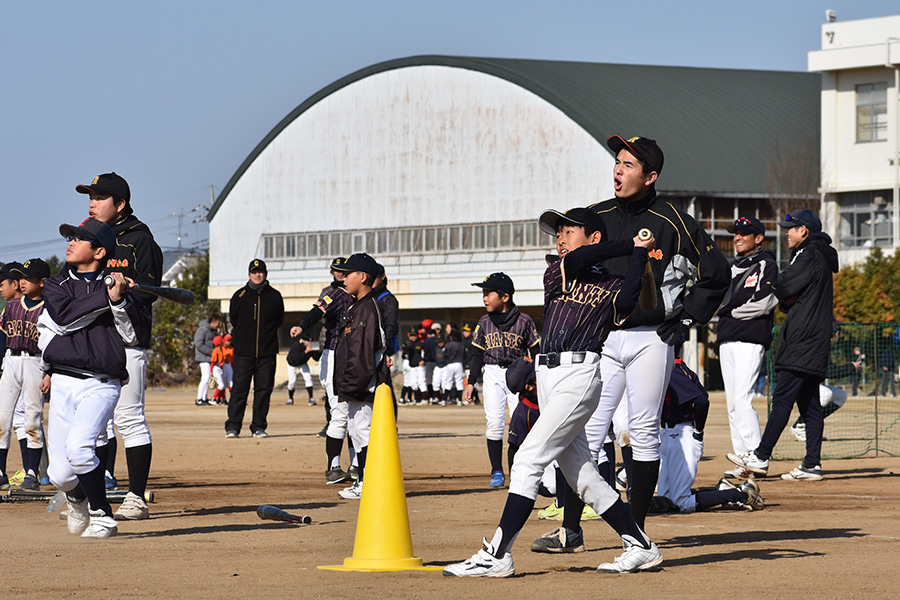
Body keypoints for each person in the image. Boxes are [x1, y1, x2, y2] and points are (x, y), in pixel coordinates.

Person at [444, 207, 660, 577]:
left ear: (594, 236)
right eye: (557, 232)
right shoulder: (557, 271)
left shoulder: (612, 283)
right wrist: (633, 244)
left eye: (569, 230)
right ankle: (641, 545)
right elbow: (582, 257)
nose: (560, 237)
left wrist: (642, 259)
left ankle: (498, 554)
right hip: (548, 376)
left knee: (527, 460)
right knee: (583, 477)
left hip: (580, 375)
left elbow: (637, 305)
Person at [545, 136, 728, 544]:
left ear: (651, 176)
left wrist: (687, 319)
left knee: (642, 431)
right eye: (617, 161)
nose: (618, 170)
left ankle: (637, 535)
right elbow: (568, 262)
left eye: (629, 164)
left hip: (652, 337)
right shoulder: (596, 216)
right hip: (603, 338)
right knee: (587, 430)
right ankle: (569, 528)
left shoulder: (676, 221)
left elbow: (717, 275)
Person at [39, 218, 142, 538]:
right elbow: (66, 319)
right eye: (70, 237)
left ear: (99, 251)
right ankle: (78, 497)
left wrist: (120, 300)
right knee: (59, 475)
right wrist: (106, 294)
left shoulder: (116, 286)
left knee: (81, 449)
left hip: (101, 382)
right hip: (63, 382)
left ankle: (103, 517)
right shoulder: (55, 285)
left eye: (79, 239)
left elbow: (132, 335)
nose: (70, 242)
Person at [728, 209, 839, 481]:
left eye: (791, 228)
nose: (786, 232)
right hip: (813, 337)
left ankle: (761, 456)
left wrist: (780, 288)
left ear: (804, 231)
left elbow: (785, 285)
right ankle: (812, 463)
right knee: (810, 403)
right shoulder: (819, 254)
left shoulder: (810, 253)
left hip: (803, 339)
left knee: (782, 400)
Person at [78, 172, 164, 521]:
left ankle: (136, 499)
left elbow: (149, 293)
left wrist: (129, 289)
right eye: (90, 196)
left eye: (100, 197)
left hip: (128, 341)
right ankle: (96, 500)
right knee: (96, 424)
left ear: (120, 203)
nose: (92, 202)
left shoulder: (140, 241)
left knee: (129, 419)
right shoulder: (93, 239)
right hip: (96, 342)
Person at [655, 356, 763, 513]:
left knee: (681, 503)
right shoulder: (681, 368)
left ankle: (739, 495)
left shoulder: (674, 371)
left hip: (680, 436)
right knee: (667, 501)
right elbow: (703, 396)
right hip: (671, 435)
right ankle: (725, 491)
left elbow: (702, 402)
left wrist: (698, 432)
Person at [716, 216, 778, 478]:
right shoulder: (731, 268)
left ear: (758, 238)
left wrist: (731, 312)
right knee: (732, 403)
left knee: (743, 397)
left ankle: (756, 455)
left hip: (750, 339)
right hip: (727, 339)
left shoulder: (767, 264)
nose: (737, 238)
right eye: (735, 234)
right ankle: (743, 460)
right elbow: (718, 304)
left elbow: (765, 303)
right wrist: (726, 312)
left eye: (743, 233)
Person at [466, 272, 540, 488]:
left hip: (519, 375)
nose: (484, 298)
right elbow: (477, 354)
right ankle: (497, 470)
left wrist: (538, 378)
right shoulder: (484, 322)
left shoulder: (524, 321)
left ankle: (521, 469)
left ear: (505, 297)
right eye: (483, 293)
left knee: (521, 423)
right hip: (493, 374)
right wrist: (471, 381)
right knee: (495, 423)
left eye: (489, 293)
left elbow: (536, 351)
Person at [331, 253, 391, 500]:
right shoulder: (358, 305)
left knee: (363, 431)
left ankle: (367, 482)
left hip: (364, 384)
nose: (344, 278)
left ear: (363, 276)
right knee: (357, 430)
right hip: (357, 384)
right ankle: (364, 481)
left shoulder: (368, 307)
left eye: (349, 274)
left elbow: (364, 352)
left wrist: (353, 384)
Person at [290, 258, 354, 483]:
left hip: (358, 358)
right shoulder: (335, 293)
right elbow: (318, 310)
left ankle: (357, 466)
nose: (344, 276)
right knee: (341, 413)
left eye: (348, 272)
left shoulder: (369, 297)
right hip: (335, 354)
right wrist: (302, 325)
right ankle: (333, 467)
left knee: (358, 416)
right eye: (340, 272)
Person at [0, 258, 50, 491]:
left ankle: (32, 472)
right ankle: (1, 471)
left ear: (42, 282)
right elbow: (2, 339)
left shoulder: (49, 308)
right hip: (11, 360)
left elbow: (52, 344)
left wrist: (50, 372)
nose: (22, 282)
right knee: (2, 417)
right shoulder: (11, 306)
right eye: (20, 277)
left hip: (35, 362)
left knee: (32, 418)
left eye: (28, 278)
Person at [225, 259, 285, 439]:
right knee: (239, 390)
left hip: (267, 353)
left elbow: (279, 320)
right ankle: (233, 427)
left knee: (263, 390)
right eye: (254, 272)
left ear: (265, 274)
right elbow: (234, 320)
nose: (257, 275)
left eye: (260, 272)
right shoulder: (240, 295)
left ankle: (258, 426)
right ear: (249, 274)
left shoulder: (275, 296)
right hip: (243, 353)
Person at [194, 312, 222, 406]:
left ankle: (204, 398)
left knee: (208, 378)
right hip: (203, 358)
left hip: (210, 359)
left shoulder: (213, 332)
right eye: (218, 323)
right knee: (205, 378)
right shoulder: (202, 330)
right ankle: (199, 398)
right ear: (213, 322)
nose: (219, 325)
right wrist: (211, 352)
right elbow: (199, 344)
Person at [286, 334, 315, 406]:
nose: (309, 343)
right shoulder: (296, 346)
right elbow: (296, 359)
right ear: (303, 340)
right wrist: (305, 352)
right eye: (308, 341)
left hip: (302, 363)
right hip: (292, 363)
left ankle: (311, 398)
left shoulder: (310, 346)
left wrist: (316, 351)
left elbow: (316, 358)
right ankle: (290, 398)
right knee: (292, 382)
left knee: (308, 378)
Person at [442, 330, 465, 406]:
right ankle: (459, 401)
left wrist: (446, 360)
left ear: (451, 337)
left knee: (448, 382)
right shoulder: (461, 345)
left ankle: (444, 400)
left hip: (450, 364)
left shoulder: (448, 345)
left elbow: (444, 355)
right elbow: (465, 355)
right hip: (459, 364)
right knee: (459, 382)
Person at [210, 335, 232, 405]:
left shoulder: (220, 349)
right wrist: (211, 371)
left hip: (220, 368)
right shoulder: (217, 350)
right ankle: (213, 399)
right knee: (221, 385)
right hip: (216, 368)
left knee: (222, 384)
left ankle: (221, 399)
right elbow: (213, 361)